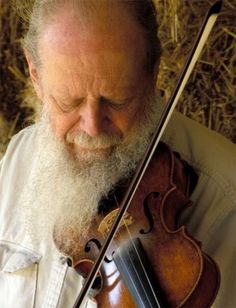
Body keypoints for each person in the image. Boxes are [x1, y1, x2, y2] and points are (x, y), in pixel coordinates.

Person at [0, 1, 235, 307]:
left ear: (153, 72)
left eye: (117, 99)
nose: (93, 127)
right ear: (35, 76)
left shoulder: (226, 198)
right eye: (68, 102)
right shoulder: (18, 157)